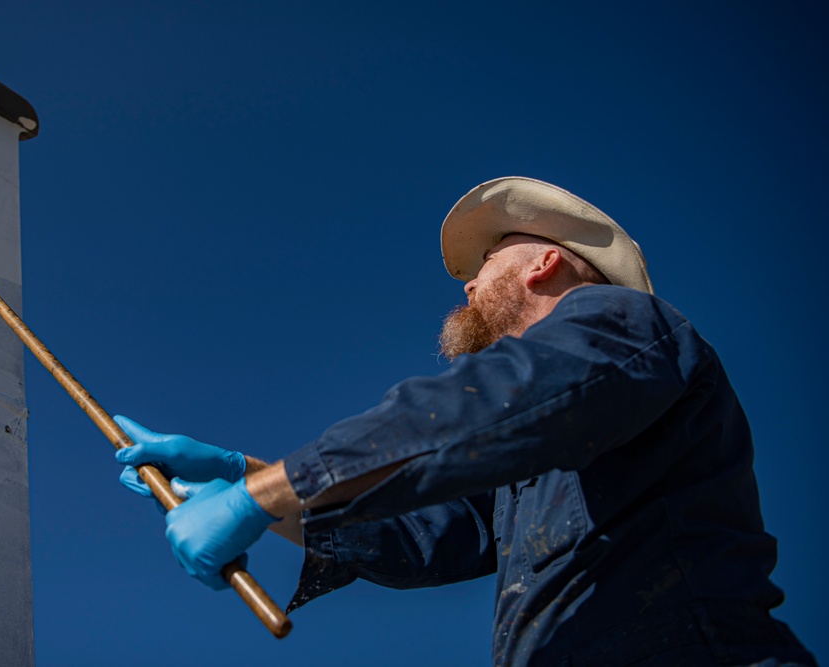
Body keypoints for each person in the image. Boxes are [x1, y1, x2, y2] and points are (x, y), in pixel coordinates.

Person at [113, 177, 816, 666]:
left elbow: (490, 401)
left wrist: (259, 496)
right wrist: (249, 477)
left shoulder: (622, 322)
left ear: (545, 261)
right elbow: (420, 540)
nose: (468, 283)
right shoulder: (526, 443)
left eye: (484, 260)